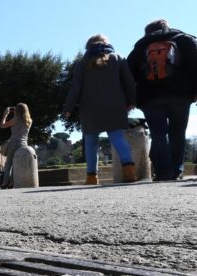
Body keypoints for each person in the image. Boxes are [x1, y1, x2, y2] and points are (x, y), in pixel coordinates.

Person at [127, 19, 197, 180]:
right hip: (181, 95)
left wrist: (132, 99)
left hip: (151, 98)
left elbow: (129, 75)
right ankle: (177, 170)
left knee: (158, 134)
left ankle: (163, 172)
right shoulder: (184, 39)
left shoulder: (141, 46)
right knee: (177, 132)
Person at [64, 34, 138, 185]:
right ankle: (129, 171)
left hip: (89, 108)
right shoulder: (118, 58)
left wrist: (68, 108)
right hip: (115, 105)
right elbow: (129, 82)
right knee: (117, 137)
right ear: (106, 44)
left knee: (91, 142)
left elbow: (75, 88)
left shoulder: (82, 63)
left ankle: (92, 177)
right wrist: (131, 101)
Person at [0, 103, 32, 189]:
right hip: (24, 144)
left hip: (14, 143)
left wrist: (5, 114)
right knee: (16, 164)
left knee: (9, 164)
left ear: (17, 111)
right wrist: (17, 111)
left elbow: (2, 125)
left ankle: (5, 183)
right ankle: (12, 183)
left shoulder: (15, 119)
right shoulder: (29, 120)